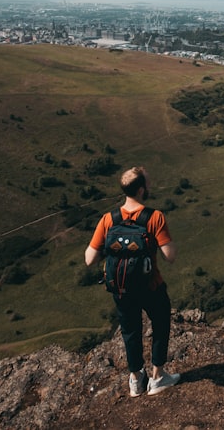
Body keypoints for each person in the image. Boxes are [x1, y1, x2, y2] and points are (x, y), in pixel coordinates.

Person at [85, 166, 180, 397]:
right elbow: (170, 257)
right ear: (141, 190)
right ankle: (157, 377)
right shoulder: (154, 217)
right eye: (147, 183)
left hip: (121, 288)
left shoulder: (109, 219)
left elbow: (90, 259)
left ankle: (136, 380)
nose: (150, 186)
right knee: (160, 324)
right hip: (151, 285)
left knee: (130, 331)